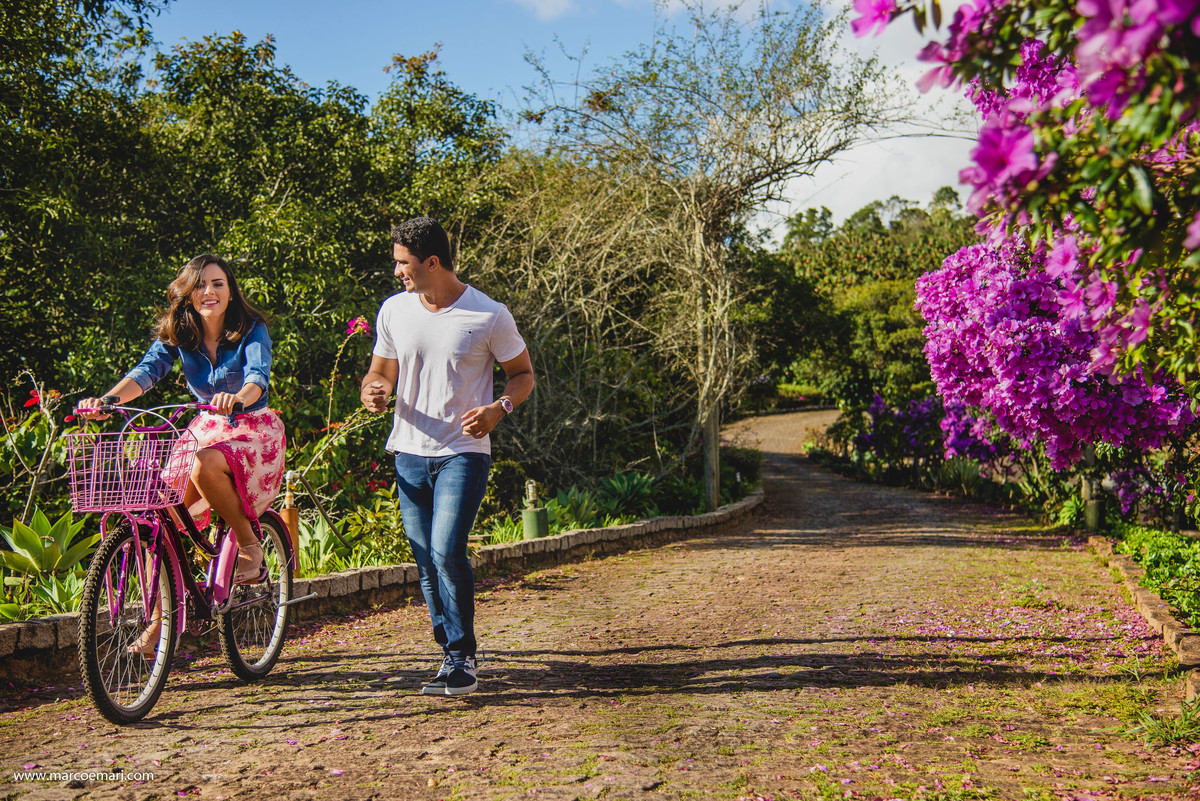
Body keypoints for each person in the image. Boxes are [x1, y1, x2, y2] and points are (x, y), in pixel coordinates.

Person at [360, 216, 534, 696]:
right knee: (424, 559)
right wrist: (373, 390)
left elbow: (522, 375)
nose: (397, 272)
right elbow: (379, 371)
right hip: (409, 452)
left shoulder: (488, 314)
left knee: (445, 550)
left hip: (463, 451)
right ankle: (448, 655)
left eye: (403, 263)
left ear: (431, 262)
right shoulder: (395, 310)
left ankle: (462, 657)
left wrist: (499, 408)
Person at [78, 254, 287, 652]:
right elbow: (146, 373)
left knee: (206, 465)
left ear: (230, 290)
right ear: (187, 294)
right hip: (204, 428)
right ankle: (162, 618)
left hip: (251, 427)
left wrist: (238, 398)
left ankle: (249, 547)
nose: (208, 292)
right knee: (162, 512)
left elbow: (258, 377)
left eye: (218, 284)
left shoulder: (251, 328)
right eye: (200, 285)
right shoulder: (180, 331)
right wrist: (107, 399)